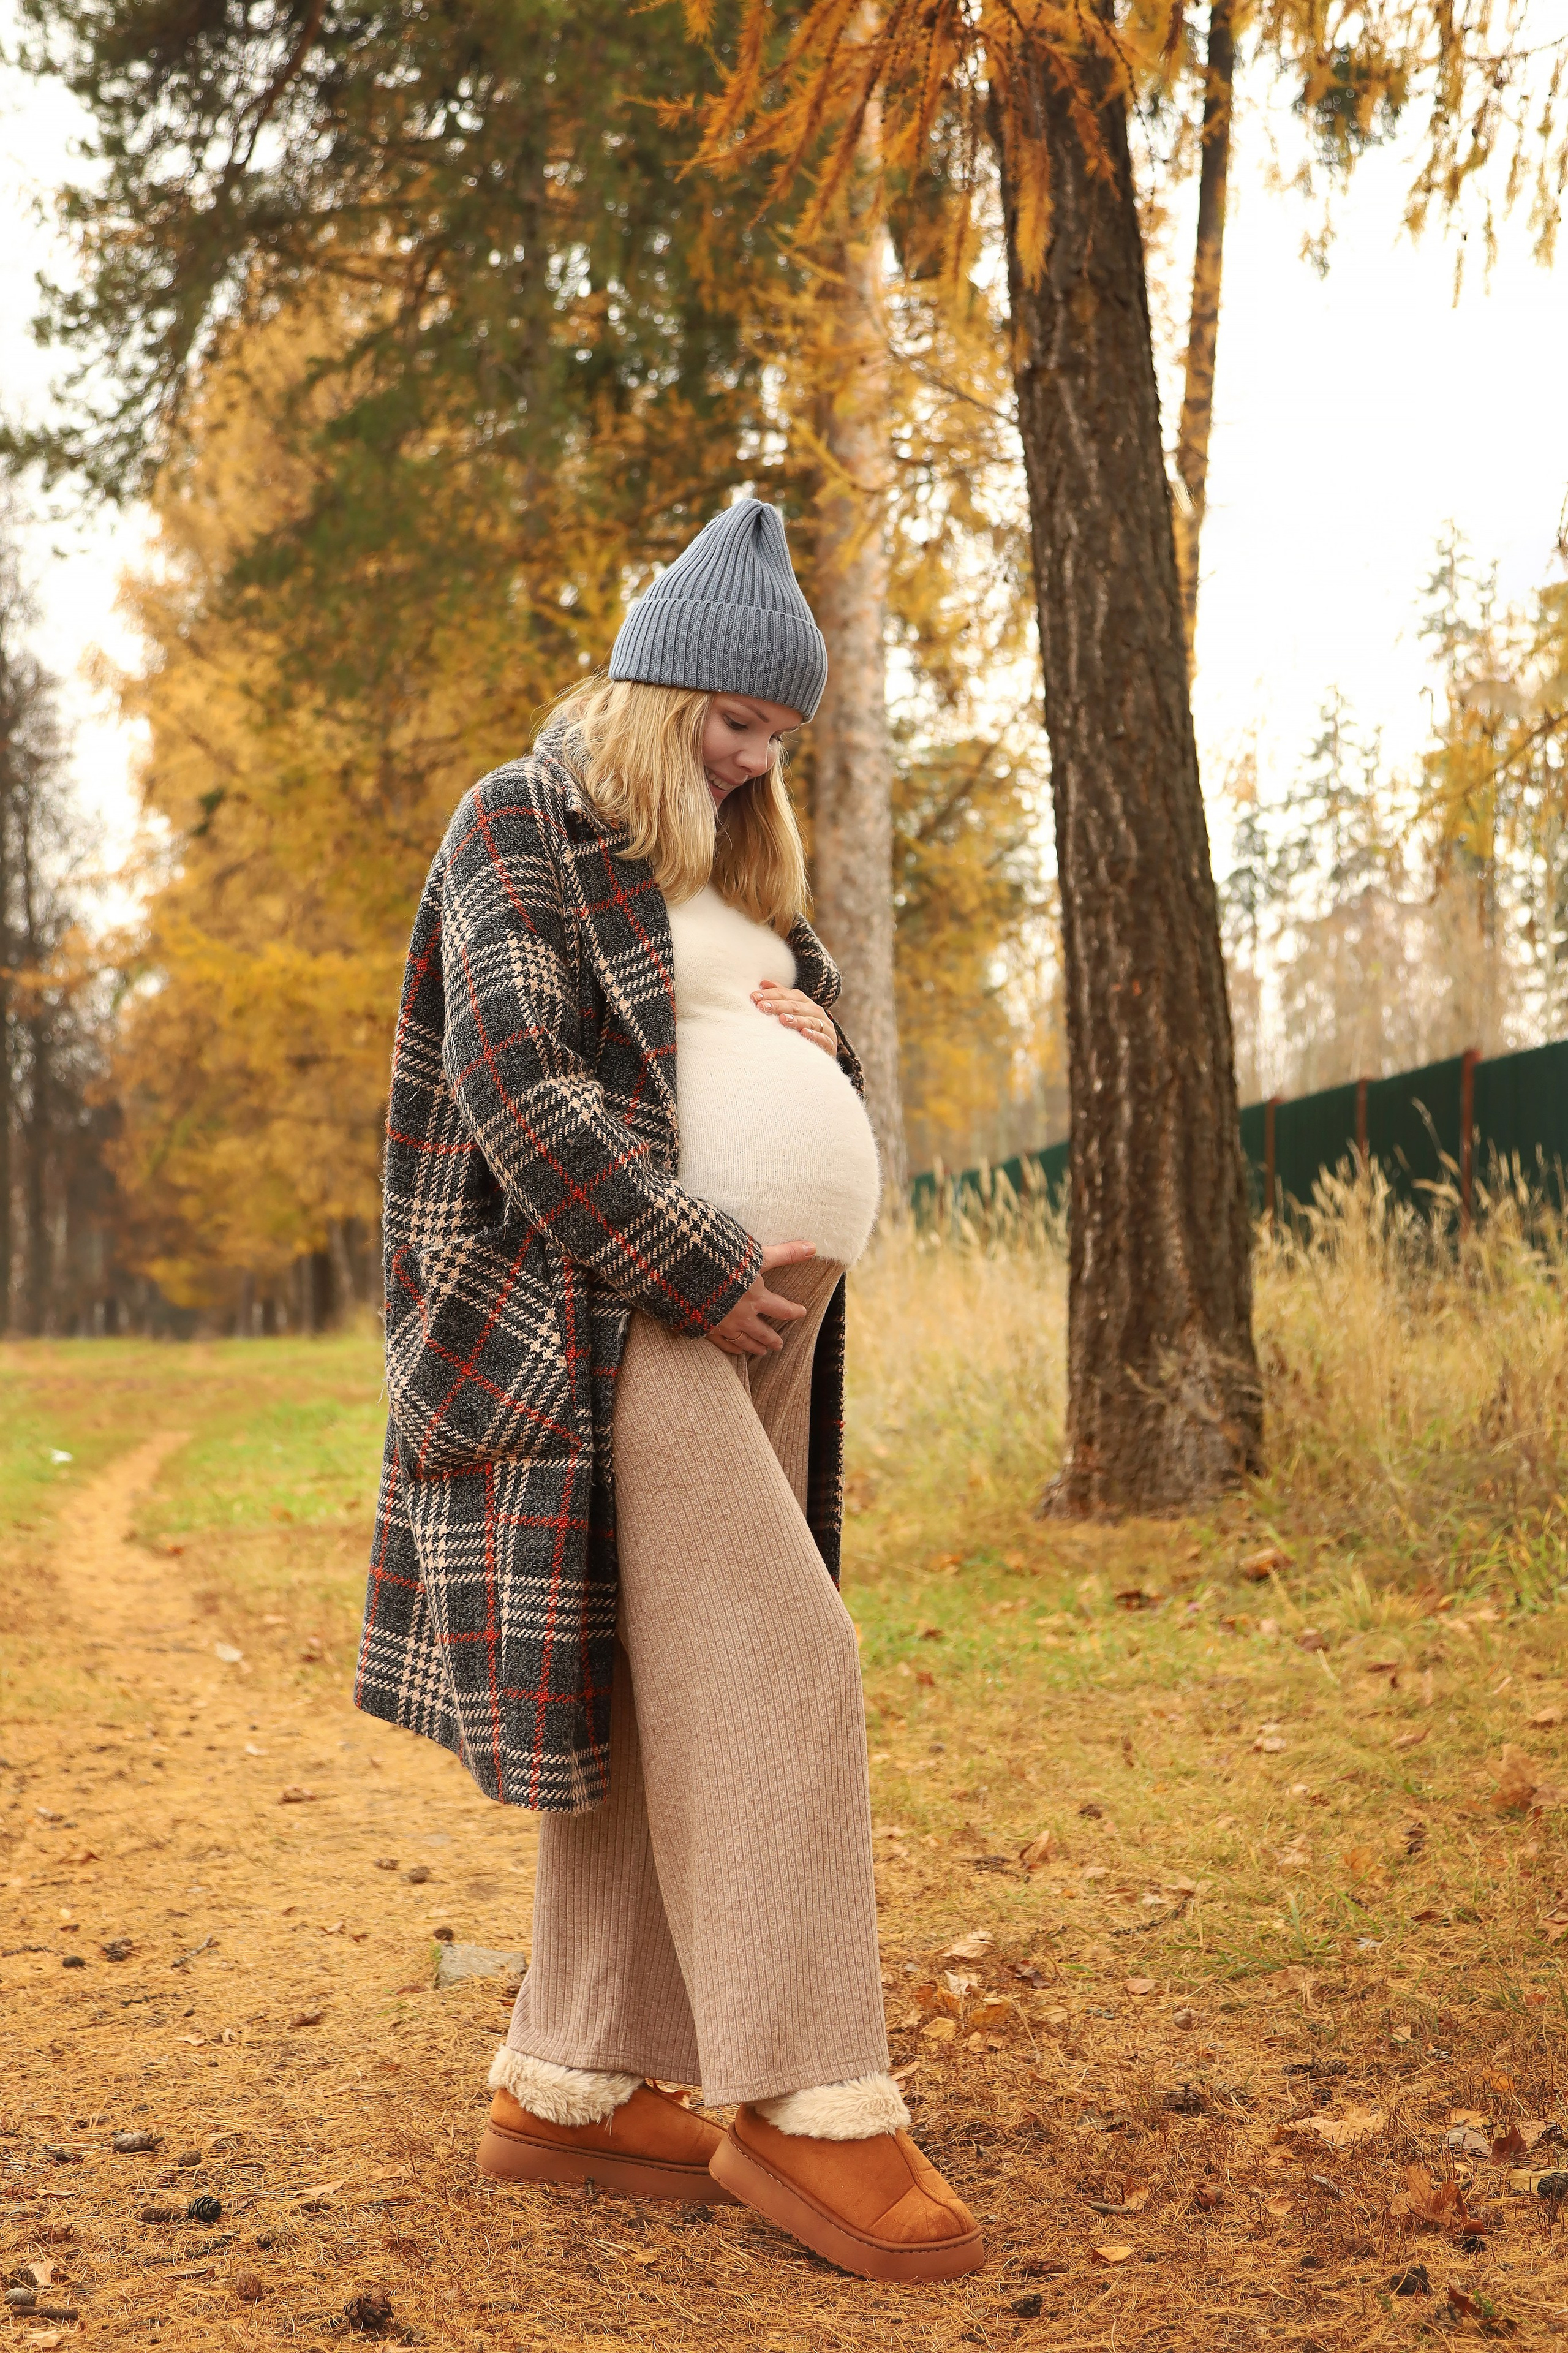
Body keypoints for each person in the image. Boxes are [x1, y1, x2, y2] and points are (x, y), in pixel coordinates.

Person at [356, 499, 984, 2284]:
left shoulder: (730, 863)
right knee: (783, 1656)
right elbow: (517, 1086)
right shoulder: (519, 824)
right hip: (603, 1307)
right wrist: (695, 1257)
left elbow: (757, 1057)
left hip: (761, 1311)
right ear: (655, 690)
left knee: (665, 1685)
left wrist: (826, 1041)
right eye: (732, 718)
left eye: (780, 736)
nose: (754, 756)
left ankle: (569, 2078)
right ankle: (806, 2101)